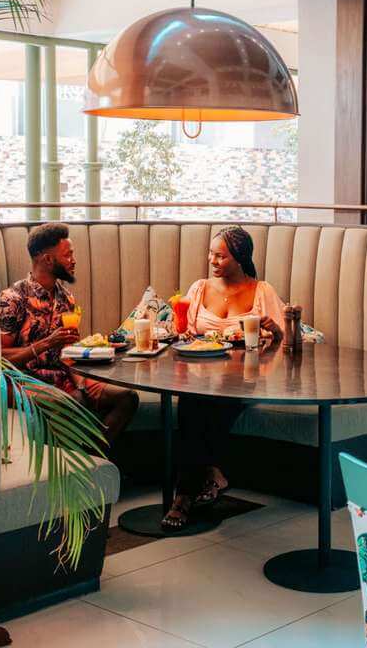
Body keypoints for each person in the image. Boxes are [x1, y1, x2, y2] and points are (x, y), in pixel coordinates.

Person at [162, 225, 285, 530]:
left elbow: (284, 345)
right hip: (200, 374)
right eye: (211, 254)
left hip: (247, 377)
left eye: (220, 256)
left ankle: (183, 497)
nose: (212, 261)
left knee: (205, 401)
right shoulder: (199, 289)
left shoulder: (262, 291)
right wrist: (183, 332)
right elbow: (182, 333)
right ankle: (211, 474)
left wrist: (277, 332)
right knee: (193, 400)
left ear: (240, 258)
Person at [0, 223, 138, 445]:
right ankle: (83, 458)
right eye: (68, 255)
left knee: (127, 398)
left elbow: (68, 352)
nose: (73, 260)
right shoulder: (13, 299)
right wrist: (45, 343)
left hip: (62, 377)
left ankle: (93, 457)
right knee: (72, 403)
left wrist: (81, 384)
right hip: (23, 381)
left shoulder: (65, 298)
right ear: (48, 259)